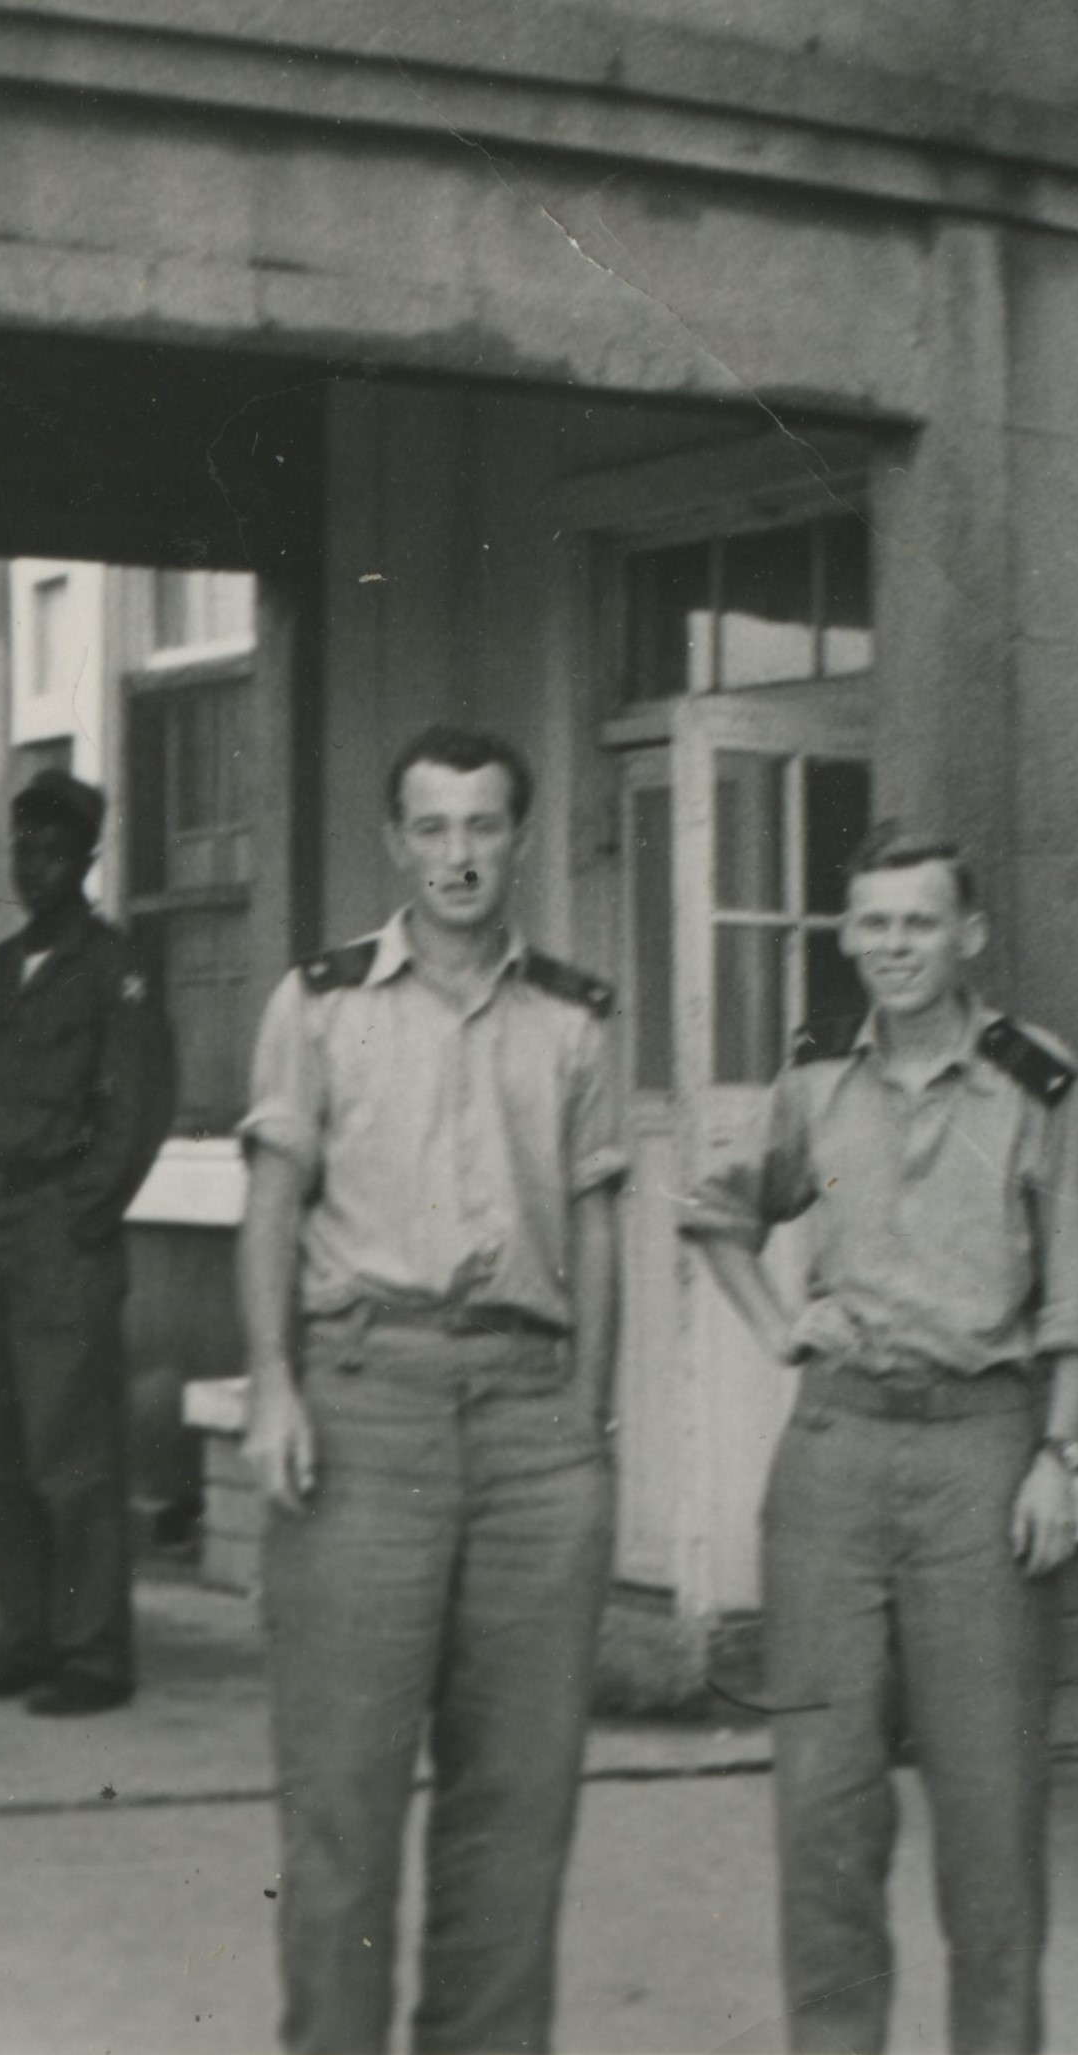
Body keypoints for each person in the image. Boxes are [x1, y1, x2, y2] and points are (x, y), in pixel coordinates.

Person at [680, 824, 1078, 2055]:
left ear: (966, 934)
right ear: (847, 934)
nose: (894, 945)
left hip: (982, 1457)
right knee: (823, 1810)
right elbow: (715, 1208)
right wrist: (777, 1323)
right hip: (833, 1453)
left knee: (990, 1817)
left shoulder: (1037, 1082)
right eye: (872, 921)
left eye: (919, 921)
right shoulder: (815, 1079)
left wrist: (1059, 1456)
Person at [237, 722, 625, 2055]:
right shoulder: (319, 1003)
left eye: (483, 825)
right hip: (365, 1405)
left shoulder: (574, 1016)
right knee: (341, 1800)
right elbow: (270, 1203)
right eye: (432, 827)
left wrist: (588, 1420)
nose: (458, 853)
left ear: (520, 838)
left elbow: (596, 1224)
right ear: (394, 843)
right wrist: (272, 1383)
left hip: (529, 1419)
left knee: (517, 1805)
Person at [0, 770, 176, 1717]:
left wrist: (82, 1214)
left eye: (54, 850)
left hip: (60, 1228)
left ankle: (93, 1654)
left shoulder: (114, 968)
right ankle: (23, 1635)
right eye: (23, 849)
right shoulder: (3, 967)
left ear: (87, 857)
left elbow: (137, 1107)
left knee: (71, 1451)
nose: (35, 867)